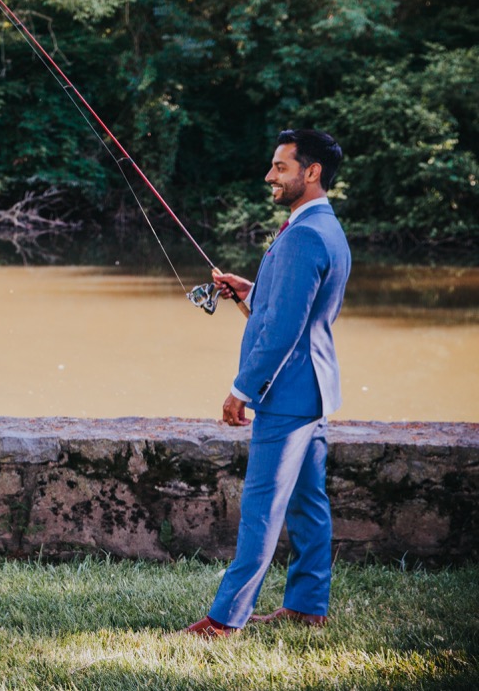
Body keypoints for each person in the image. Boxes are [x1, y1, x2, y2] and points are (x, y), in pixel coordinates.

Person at [183, 129, 351, 638]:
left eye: (281, 167)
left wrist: (242, 390)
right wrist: (249, 291)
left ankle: (224, 620)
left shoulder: (303, 235)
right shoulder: (325, 226)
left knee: (261, 507)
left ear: (312, 171)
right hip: (313, 390)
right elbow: (295, 304)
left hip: (287, 394)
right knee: (307, 504)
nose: (269, 176)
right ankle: (307, 606)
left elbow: (283, 329)